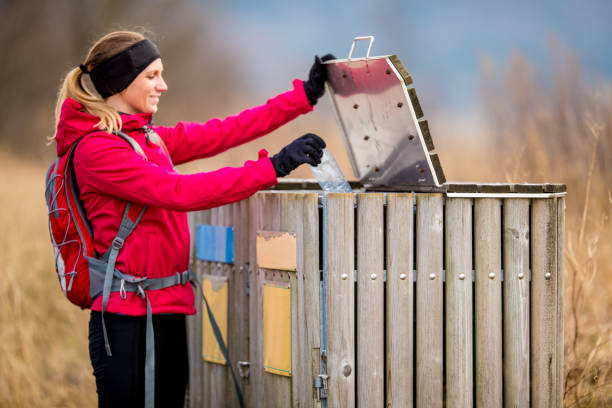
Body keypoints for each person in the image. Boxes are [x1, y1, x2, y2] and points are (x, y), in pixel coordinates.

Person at [51, 30, 333, 407]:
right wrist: (274, 166)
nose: (162, 86)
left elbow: (223, 132)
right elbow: (180, 192)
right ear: (120, 82)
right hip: (127, 319)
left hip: (165, 309)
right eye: (151, 76)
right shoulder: (98, 151)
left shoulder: (144, 138)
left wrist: (301, 98)